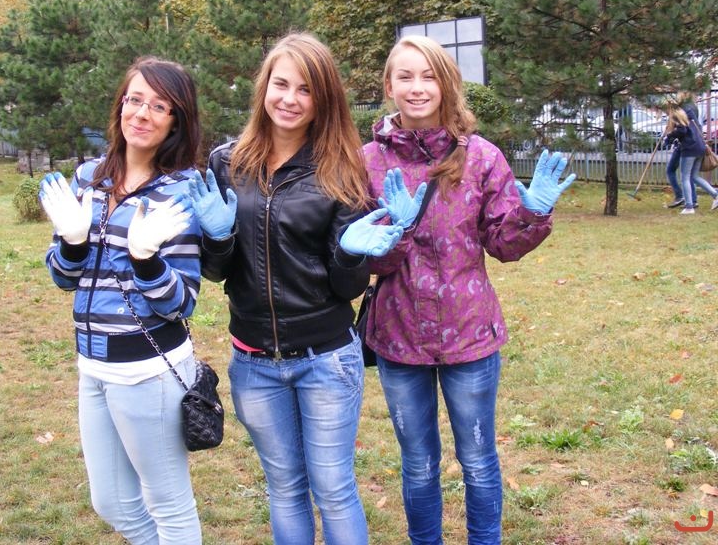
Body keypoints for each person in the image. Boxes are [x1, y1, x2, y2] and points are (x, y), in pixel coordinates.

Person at [359, 35, 575, 545]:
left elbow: (503, 243)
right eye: (405, 76)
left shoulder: (481, 157)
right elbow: (366, 260)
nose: (417, 87)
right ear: (389, 86)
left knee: (477, 459)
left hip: (469, 334)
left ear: (447, 84)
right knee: (417, 463)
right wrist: (396, 234)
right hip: (399, 335)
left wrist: (532, 215)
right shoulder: (365, 160)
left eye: (429, 76)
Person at [188, 33, 399, 545]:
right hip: (254, 361)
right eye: (281, 84)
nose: (290, 99)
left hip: (325, 358)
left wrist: (351, 253)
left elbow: (347, 287)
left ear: (322, 100)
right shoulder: (226, 163)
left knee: (333, 488)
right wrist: (217, 237)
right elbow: (216, 272)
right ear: (264, 87)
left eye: (305, 90)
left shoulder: (340, 168)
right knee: (283, 488)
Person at [40, 56, 204, 545]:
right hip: (92, 364)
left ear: (176, 121)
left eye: (159, 106)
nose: (142, 114)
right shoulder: (89, 177)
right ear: (120, 106)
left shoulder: (180, 192)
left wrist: (146, 260)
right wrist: (72, 244)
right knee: (110, 501)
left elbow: (182, 303)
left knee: (169, 505)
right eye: (135, 99)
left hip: (148, 370)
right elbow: (63, 278)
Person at [664, 105, 718, 214]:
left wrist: (669, 136)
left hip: (689, 150)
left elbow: (682, 131)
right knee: (694, 176)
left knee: (685, 178)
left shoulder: (679, 119)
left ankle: (689, 207)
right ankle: (715, 195)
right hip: (700, 149)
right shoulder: (691, 119)